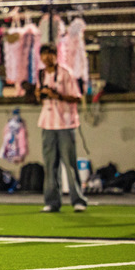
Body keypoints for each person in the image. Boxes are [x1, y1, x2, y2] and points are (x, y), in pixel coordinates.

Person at [35, 43, 88, 213]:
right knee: (50, 165)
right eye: (44, 54)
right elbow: (40, 97)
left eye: (50, 54)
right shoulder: (41, 74)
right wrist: (39, 94)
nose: (47, 58)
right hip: (47, 123)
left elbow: (76, 97)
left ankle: (78, 199)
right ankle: (52, 201)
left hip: (65, 123)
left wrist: (56, 95)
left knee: (70, 164)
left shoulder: (66, 73)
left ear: (56, 55)